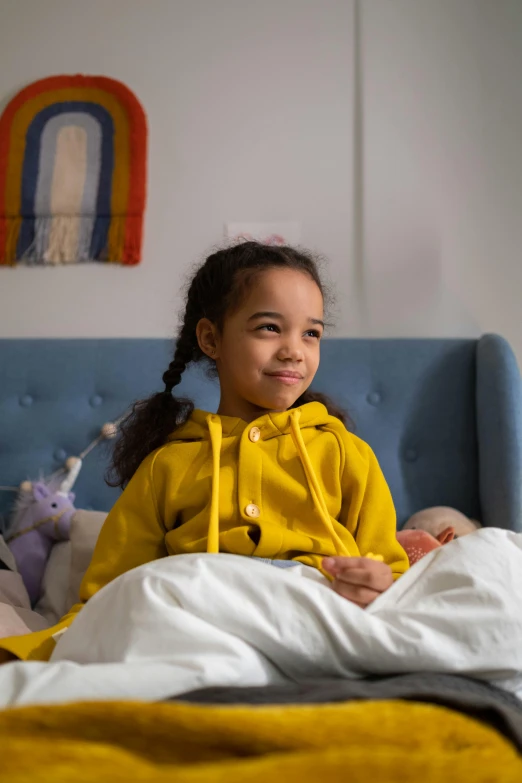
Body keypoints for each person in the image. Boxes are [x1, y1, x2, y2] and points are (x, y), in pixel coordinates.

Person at [0, 241, 408, 664]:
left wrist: (376, 583)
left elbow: (393, 576)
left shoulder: (345, 453)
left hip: (316, 616)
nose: (294, 350)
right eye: (270, 327)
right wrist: (33, 653)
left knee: (482, 552)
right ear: (211, 338)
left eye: (311, 333)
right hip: (200, 626)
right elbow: (111, 598)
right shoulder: (167, 465)